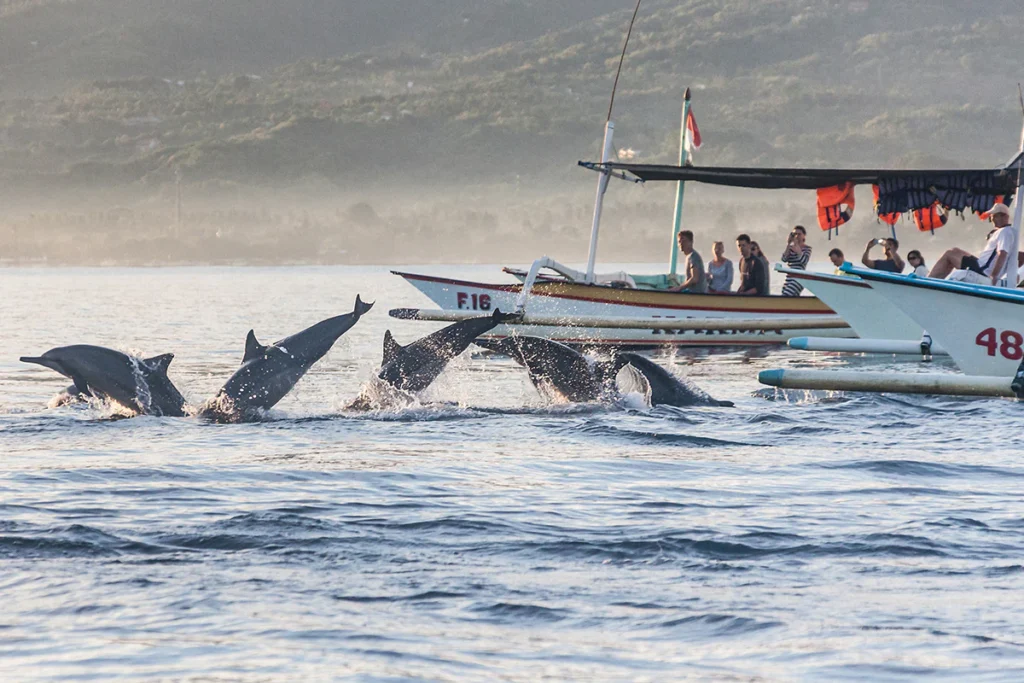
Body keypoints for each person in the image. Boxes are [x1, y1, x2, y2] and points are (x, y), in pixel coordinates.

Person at [929, 203, 1014, 285]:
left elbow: (1002, 253)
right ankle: (935, 282)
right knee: (954, 251)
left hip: (983, 270)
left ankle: (928, 281)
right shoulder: (1005, 231)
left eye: (995, 216)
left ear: (1005, 216)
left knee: (950, 253)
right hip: (981, 266)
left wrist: (994, 276)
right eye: (991, 216)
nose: (992, 219)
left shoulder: (1004, 232)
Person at [780, 225, 812, 296]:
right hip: (789, 277)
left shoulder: (807, 248)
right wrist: (788, 244)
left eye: (799, 234)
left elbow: (803, 261)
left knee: (787, 295)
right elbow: (784, 259)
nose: (797, 236)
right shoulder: (791, 248)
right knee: (783, 296)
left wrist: (797, 247)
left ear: (804, 236)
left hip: (799, 278)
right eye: (795, 234)